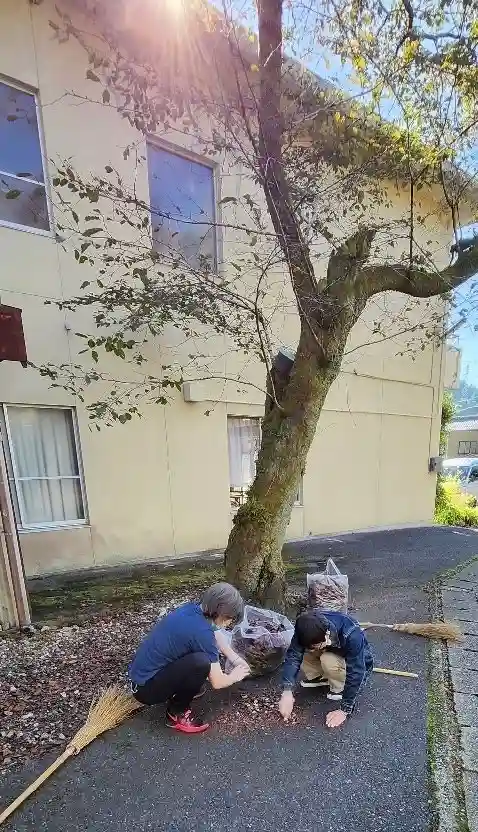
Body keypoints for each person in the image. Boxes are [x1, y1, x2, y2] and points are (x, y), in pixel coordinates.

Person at [129, 582, 250, 734]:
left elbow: (215, 633)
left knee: (198, 660)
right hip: (146, 690)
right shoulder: (202, 634)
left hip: (142, 677)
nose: (229, 623)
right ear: (220, 614)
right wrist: (234, 676)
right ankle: (177, 711)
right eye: (229, 619)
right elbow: (218, 682)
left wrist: (235, 659)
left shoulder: (193, 610)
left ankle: (183, 688)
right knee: (201, 663)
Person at [278, 609, 373, 729]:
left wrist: (344, 710)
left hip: (355, 663)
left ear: (327, 635)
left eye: (315, 646)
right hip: (329, 648)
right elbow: (293, 656)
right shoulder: (304, 627)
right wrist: (287, 691)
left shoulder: (351, 634)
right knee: (303, 652)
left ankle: (339, 686)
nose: (313, 649)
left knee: (327, 659)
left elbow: (357, 672)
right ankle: (321, 677)